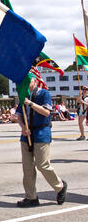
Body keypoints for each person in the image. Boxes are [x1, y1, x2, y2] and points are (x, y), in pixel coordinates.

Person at [15, 73, 67, 207]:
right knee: (27, 168)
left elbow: (46, 112)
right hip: (27, 134)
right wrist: (22, 127)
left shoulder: (43, 94)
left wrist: (30, 103)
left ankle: (60, 186)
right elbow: (19, 116)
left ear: (34, 81)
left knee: (42, 165)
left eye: (27, 81)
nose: (25, 84)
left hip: (41, 133)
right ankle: (31, 197)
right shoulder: (23, 95)